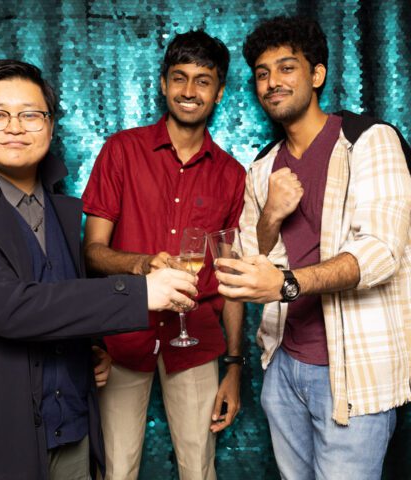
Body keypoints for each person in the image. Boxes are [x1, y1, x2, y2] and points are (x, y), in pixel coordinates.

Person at [0, 59, 198, 480]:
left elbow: (61, 299)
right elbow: (11, 308)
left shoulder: (62, 209)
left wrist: (84, 350)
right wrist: (141, 291)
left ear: (51, 126)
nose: (15, 127)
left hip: (72, 435)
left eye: (30, 115)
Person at [214, 16, 411, 480]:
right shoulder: (262, 167)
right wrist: (270, 214)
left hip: (354, 372)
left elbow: (381, 251)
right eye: (262, 73)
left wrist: (286, 284)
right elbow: (252, 258)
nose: (272, 82)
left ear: (317, 74)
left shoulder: (369, 141)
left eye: (287, 68)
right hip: (285, 367)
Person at [82, 30, 246, 480]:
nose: (189, 91)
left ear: (219, 91)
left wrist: (234, 365)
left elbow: (231, 278)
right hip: (123, 332)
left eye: (203, 81)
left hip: (196, 338)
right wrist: (141, 265)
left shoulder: (232, 174)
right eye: (179, 78)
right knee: (116, 469)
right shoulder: (122, 150)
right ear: (163, 84)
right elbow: (92, 252)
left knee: (199, 469)